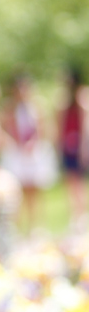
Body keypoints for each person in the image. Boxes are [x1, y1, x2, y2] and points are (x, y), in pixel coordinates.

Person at [0, 73, 57, 234]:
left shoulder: (37, 106)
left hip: (34, 152)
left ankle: (35, 226)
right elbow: (4, 129)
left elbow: (43, 128)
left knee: (35, 190)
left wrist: (34, 143)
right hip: (17, 153)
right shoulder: (10, 107)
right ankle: (16, 227)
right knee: (16, 192)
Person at [57, 66, 89, 229]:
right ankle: (75, 215)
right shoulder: (65, 97)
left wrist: (84, 147)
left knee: (80, 181)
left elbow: (85, 123)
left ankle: (82, 214)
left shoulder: (82, 94)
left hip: (79, 144)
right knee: (71, 180)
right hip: (68, 144)